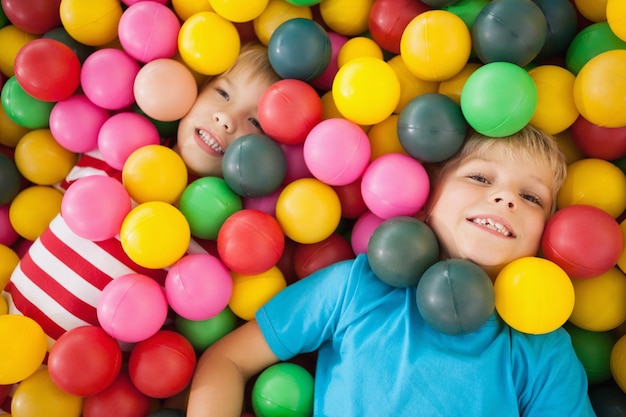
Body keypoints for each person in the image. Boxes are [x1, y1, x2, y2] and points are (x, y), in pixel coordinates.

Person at [186, 125, 597, 417]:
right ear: (427, 201)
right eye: (479, 177)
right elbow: (228, 361)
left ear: (546, 237)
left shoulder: (541, 351)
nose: (506, 198)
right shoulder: (357, 287)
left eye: (531, 197)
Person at [2, 41, 281, 348]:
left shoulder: (219, 243)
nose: (226, 119)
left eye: (255, 122)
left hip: (66, 381)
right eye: (223, 94)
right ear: (193, 90)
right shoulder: (114, 155)